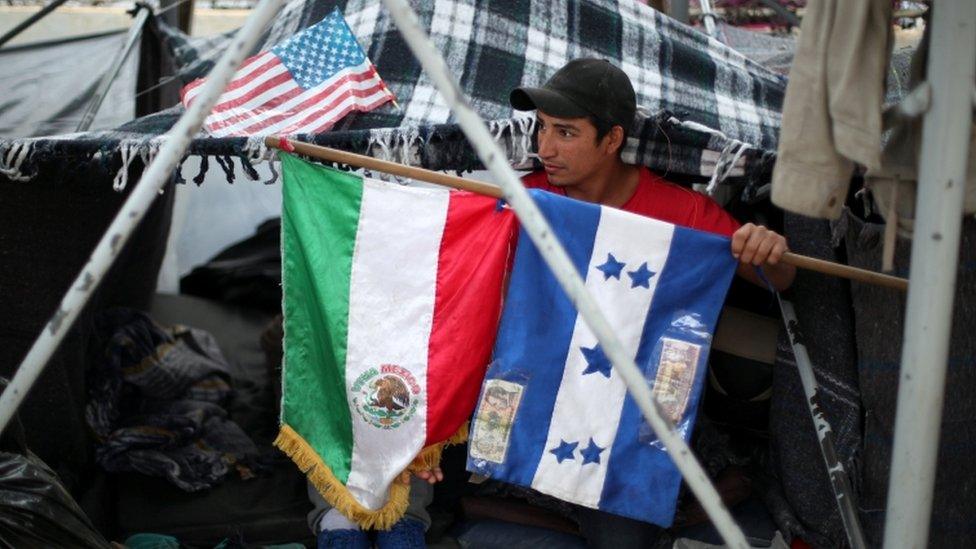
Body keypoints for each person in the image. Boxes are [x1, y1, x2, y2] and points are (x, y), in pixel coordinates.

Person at [408, 57, 795, 548]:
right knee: (432, 490)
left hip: (623, 420)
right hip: (527, 395)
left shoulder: (682, 213)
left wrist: (767, 249)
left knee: (624, 539)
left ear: (612, 140)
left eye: (565, 133)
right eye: (542, 129)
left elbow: (777, 280)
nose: (545, 148)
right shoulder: (525, 200)